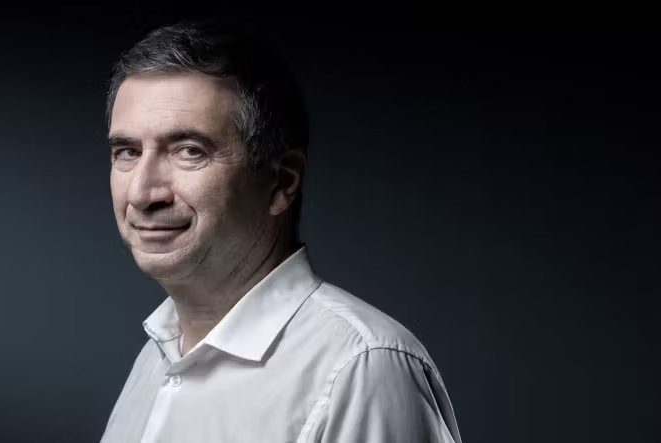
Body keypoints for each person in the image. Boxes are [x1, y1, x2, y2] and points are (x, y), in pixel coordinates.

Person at [100, 21, 462, 443]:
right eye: (127, 152)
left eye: (189, 151)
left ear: (282, 182)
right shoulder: (155, 358)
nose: (143, 193)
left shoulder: (362, 368)